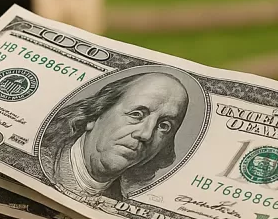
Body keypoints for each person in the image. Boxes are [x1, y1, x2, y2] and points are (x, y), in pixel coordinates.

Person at [44, 71, 189, 201]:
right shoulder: (44, 159)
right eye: (136, 114)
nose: (146, 134)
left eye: (164, 126)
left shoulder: (127, 198)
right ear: (94, 116)